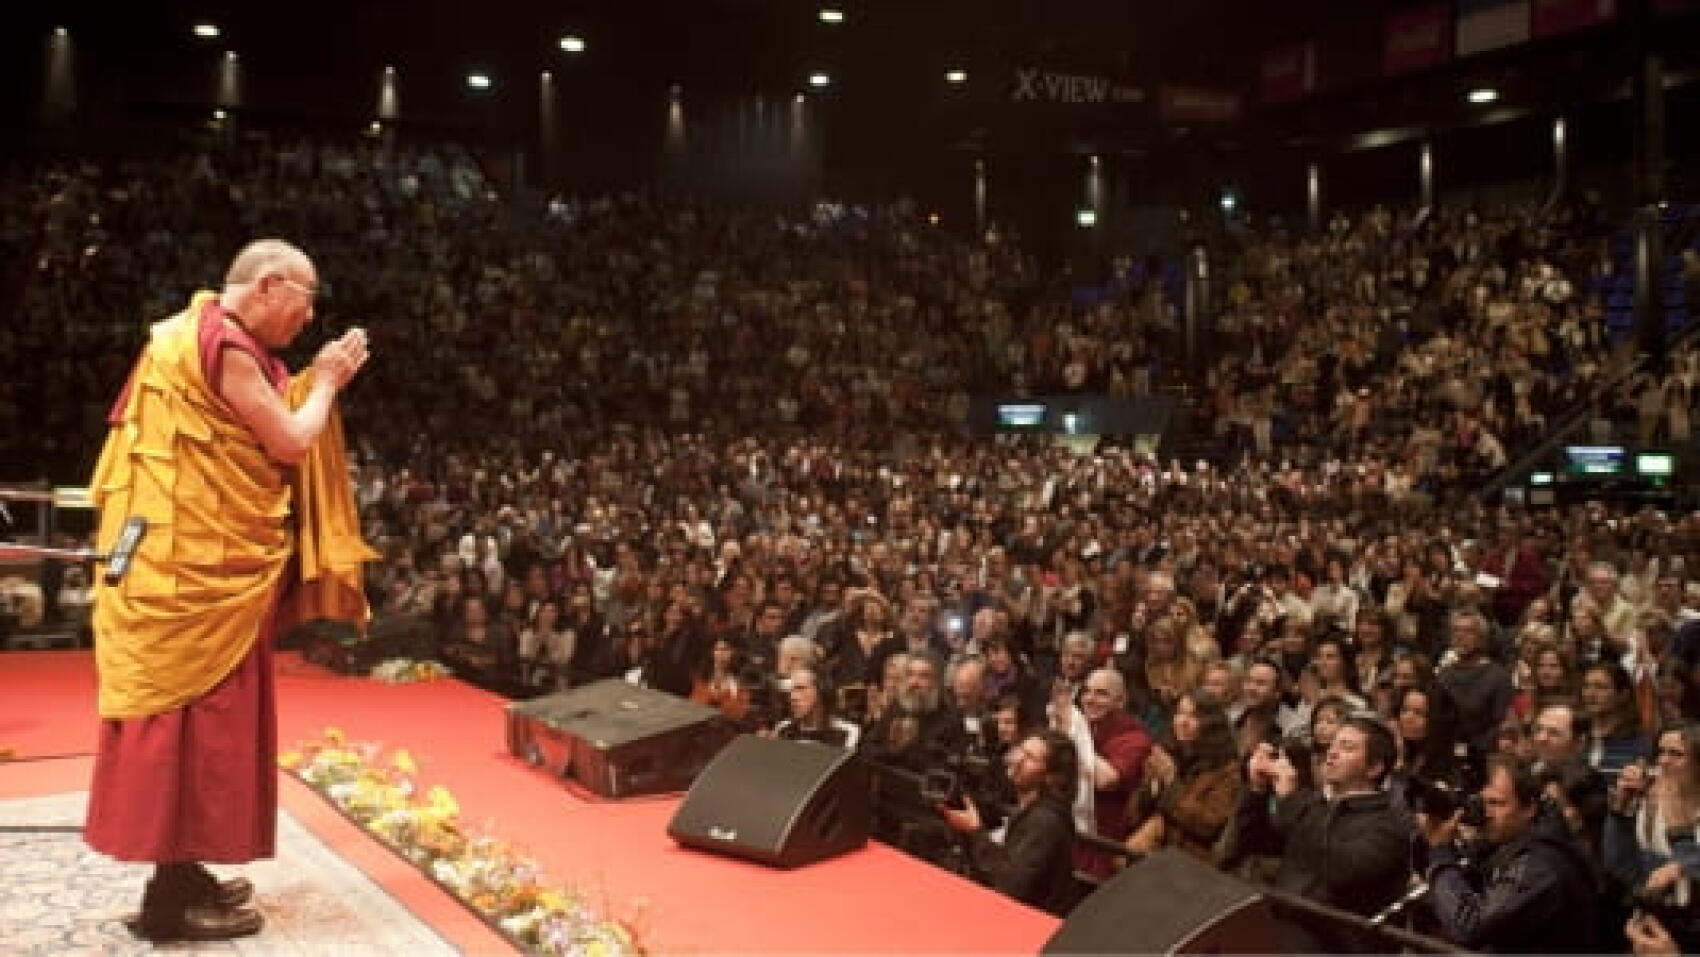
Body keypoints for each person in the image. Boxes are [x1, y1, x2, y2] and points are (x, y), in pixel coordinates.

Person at [84, 239, 372, 942]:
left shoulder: (192, 333)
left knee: (202, 730)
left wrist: (310, 375)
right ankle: (169, 898)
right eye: (306, 300)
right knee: (193, 726)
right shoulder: (226, 346)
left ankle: (183, 874)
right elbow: (289, 440)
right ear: (270, 285)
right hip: (198, 578)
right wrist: (328, 379)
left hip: (187, 565)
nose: (308, 318)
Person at [1234, 713, 1411, 949]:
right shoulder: (1312, 804)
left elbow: (1339, 870)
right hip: (1278, 928)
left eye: (1346, 748)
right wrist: (1256, 790)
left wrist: (1289, 799)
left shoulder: (1387, 827)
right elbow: (1253, 844)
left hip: (1331, 944)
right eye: (1333, 744)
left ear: (1374, 768)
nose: (1332, 753)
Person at [1421, 756, 1600, 953]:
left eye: (1496, 803)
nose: (1485, 813)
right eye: (1482, 802)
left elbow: (1470, 925)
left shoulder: (1542, 864)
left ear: (1529, 808)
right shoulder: (1508, 844)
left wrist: (1441, 851)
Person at [939, 730, 1080, 915]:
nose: (1017, 760)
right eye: (1021, 750)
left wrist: (975, 831)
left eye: (1030, 758)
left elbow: (1009, 885)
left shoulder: (1045, 822)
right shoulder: (1030, 810)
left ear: (1052, 777)